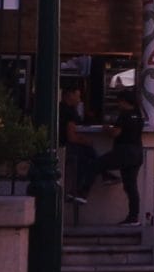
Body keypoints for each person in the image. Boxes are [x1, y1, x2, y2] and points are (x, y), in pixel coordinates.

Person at [106, 92, 147, 224]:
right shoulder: (139, 115)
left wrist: (106, 129)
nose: (118, 104)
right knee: (131, 186)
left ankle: (83, 190)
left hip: (124, 152)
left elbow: (115, 133)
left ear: (124, 101)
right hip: (137, 153)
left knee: (97, 163)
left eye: (119, 101)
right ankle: (133, 216)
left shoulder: (124, 115)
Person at [59, 88, 101, 207]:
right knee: (89, 158)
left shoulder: (65, 109)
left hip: (65, 146)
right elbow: (71, 136)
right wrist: (86, 141)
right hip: (66, 148)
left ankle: (80, 191)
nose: (79, 99)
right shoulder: (68, 112)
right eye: (77, 96)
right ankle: (79, 190)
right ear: (69, 95)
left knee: (90, 153)